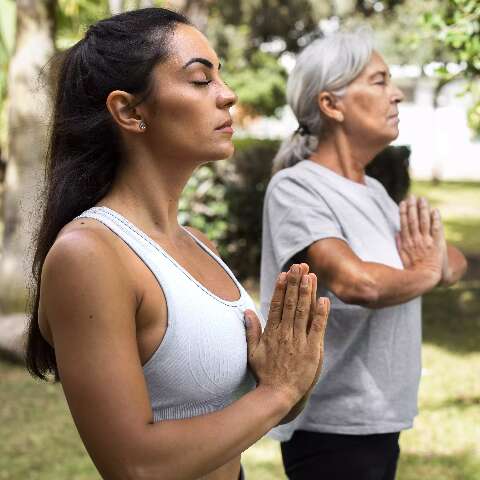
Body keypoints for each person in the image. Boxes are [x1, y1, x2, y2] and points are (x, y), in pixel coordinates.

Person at [25, 8, 331, 480]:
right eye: (199, 80)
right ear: (129, 110)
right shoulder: (88, 256)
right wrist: (278, 394)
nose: (227, 96)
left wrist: (285, 379)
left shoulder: (197, 244)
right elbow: (135, 466)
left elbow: (253, 413)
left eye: (220, 78)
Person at [260, 29, 467, 480]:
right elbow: (360, 282)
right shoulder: (297, 187)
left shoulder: (373, 191)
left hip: (379, 418)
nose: (395, 95)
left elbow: (453, 261)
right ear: (331, 105)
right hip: (331, 426)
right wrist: (428, 270)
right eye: (379, 81)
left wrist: (429, 265)